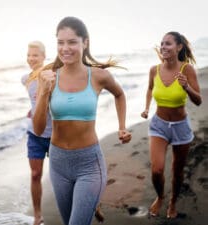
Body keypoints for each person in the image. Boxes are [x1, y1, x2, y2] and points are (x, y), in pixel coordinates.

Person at [33, 17, 132, 225]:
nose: (65, 48)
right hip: (58, 163)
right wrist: (43, 92)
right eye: (60, 42)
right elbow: (39, 128)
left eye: (71, 42)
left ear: (84, 42)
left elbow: (119, 95)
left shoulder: (98, 76)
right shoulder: (49, 77)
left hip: (89, 163)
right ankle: (91, 204)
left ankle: (90, 200)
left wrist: (121, 127)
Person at [141, 31, 202, 219]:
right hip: (159, 124)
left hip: (180, 127)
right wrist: (146, 107)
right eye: (162, 43)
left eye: (168, 43)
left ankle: (173, 201)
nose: (163, 47)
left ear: (179, 47)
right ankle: (160, 197)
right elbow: (151, 88)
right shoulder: (154, 70)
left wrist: (186, 88)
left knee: (177, 171)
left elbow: (198, 100)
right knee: (156, 169)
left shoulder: (187, 70)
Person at [21, 41, 52, 225]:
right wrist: (31, 110)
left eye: (35, 55)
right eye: (29, 55)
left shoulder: (51, 75)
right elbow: (35, 101)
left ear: (43, 56)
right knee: (35, 175)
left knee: (61, 176)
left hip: (55, 135)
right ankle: (37, 215)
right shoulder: (25, 79)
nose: (31, 59)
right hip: (35, 135)